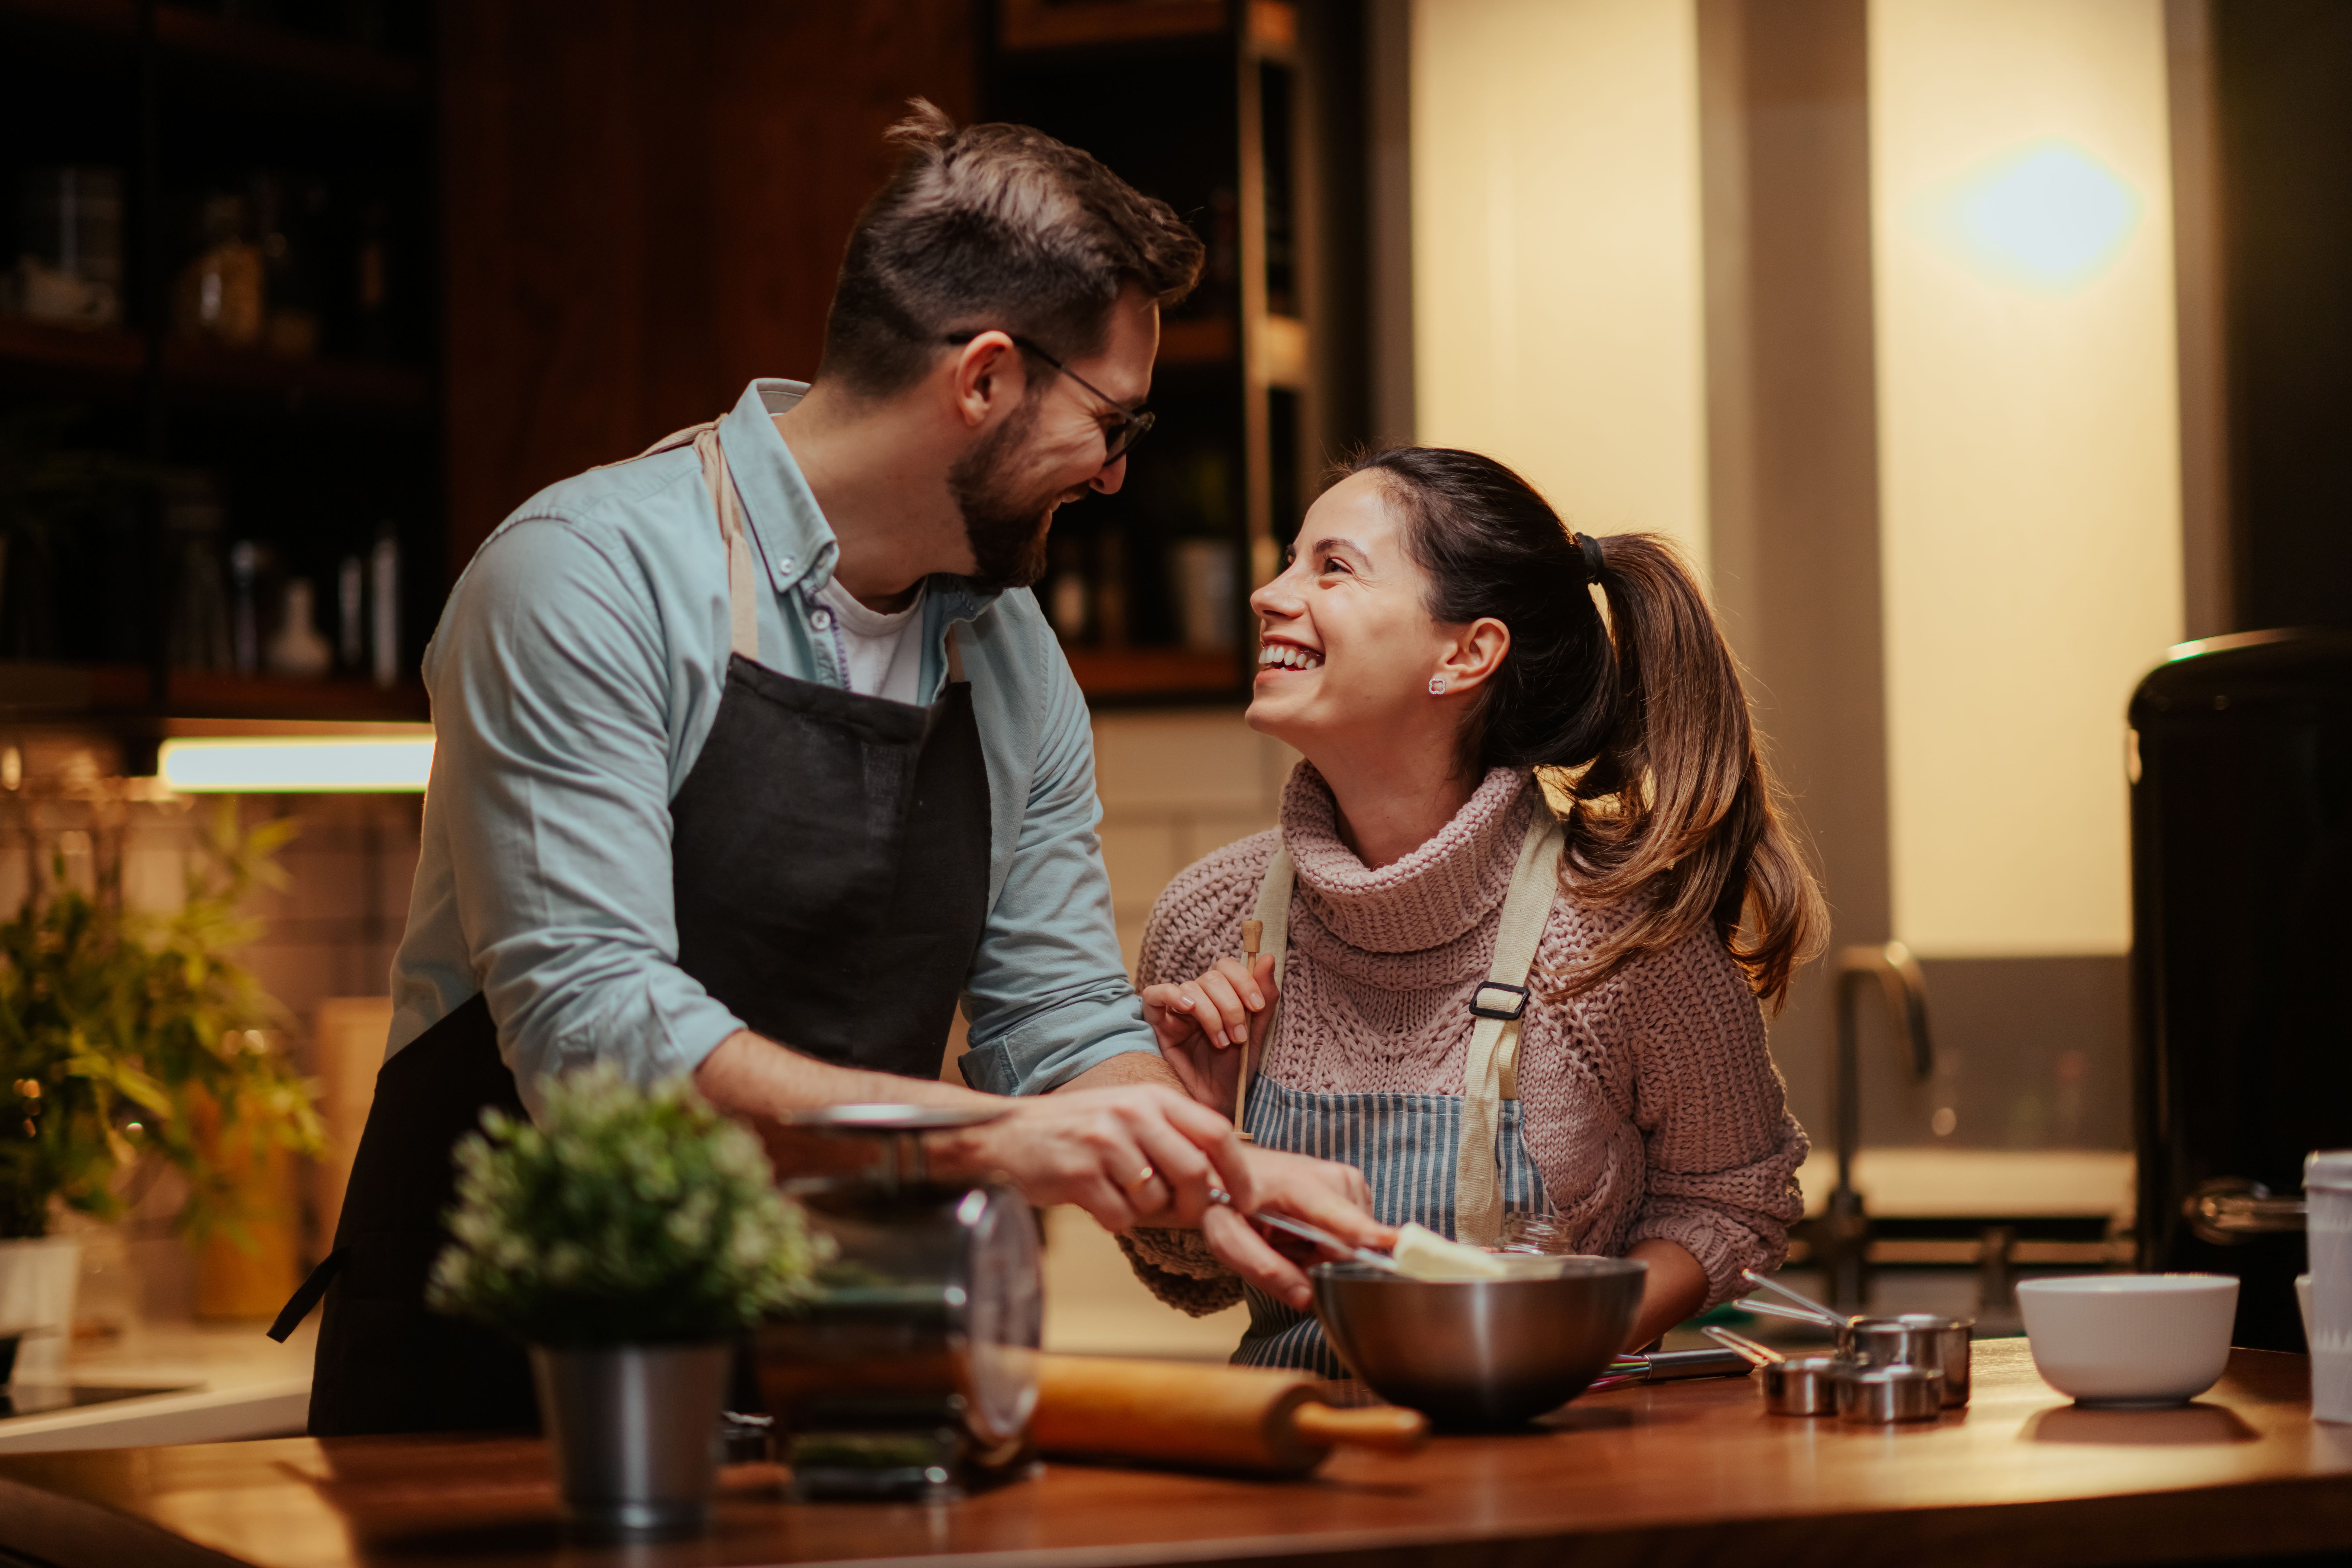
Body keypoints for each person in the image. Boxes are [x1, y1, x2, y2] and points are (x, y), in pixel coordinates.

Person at [270, 103, 1385, 1435]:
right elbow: (598, 1037)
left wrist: (1213, 1164)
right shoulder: (587, 577)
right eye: (1113, 424)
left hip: (829, 1375)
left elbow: (1060, 1022)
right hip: (509, 1397)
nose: (1114, 477)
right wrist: (991, 1142)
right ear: (982, 380)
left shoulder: (1009, 649)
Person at [1122, 446, 1824, 1371]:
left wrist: (1565, 1338)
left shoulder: (1620, 936)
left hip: (1546, 1481)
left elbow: (1734, 1198)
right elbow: (1196, 1277)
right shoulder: (1210, 921)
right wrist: (1203, 1150)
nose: (1269, 593)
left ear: (1469, 653)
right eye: (1290, 560)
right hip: (1301, 1478)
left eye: (1331, 567)